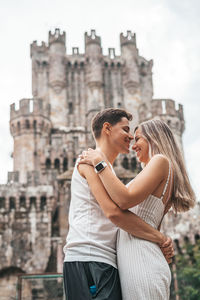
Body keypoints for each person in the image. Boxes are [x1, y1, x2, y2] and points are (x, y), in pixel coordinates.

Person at [63, 109, 174, 300]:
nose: (130, 136)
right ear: (107, 128)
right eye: (125, 129)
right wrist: (160, 238)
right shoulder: (89, 162)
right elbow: (114, 213)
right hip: (90, 257)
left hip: (105, 260)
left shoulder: (106, 169)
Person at [79, 118, 196, 300]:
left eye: (138, 139)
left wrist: (99, 162)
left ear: (154, 139)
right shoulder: (159, 168)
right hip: (140, 258)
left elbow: (124, 200)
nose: (133, 145)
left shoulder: (160, 161)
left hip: (142, 260)